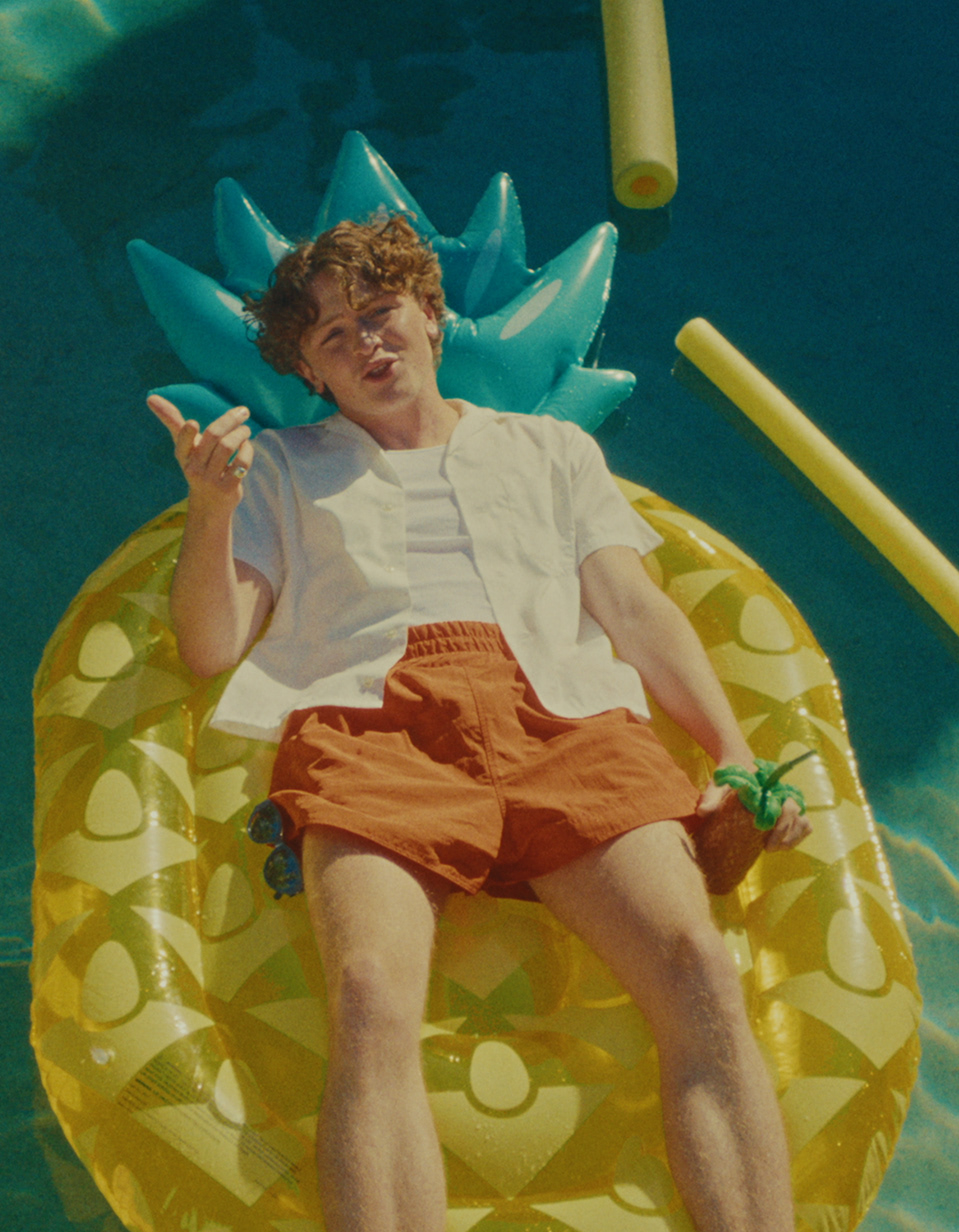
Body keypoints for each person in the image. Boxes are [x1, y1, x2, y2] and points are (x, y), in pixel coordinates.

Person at [146, 214, 809, 1232]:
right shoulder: (281, 467)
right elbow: (210, 643)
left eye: (380, 313)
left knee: (699, 968)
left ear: (432, 315)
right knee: (369, 992)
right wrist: (209, 507)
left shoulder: (550, 450)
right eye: (332, 337)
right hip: (372, 724)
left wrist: (734, 755)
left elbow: (634, 611)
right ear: (310, 372)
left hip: (566, 717)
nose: (366, 343)